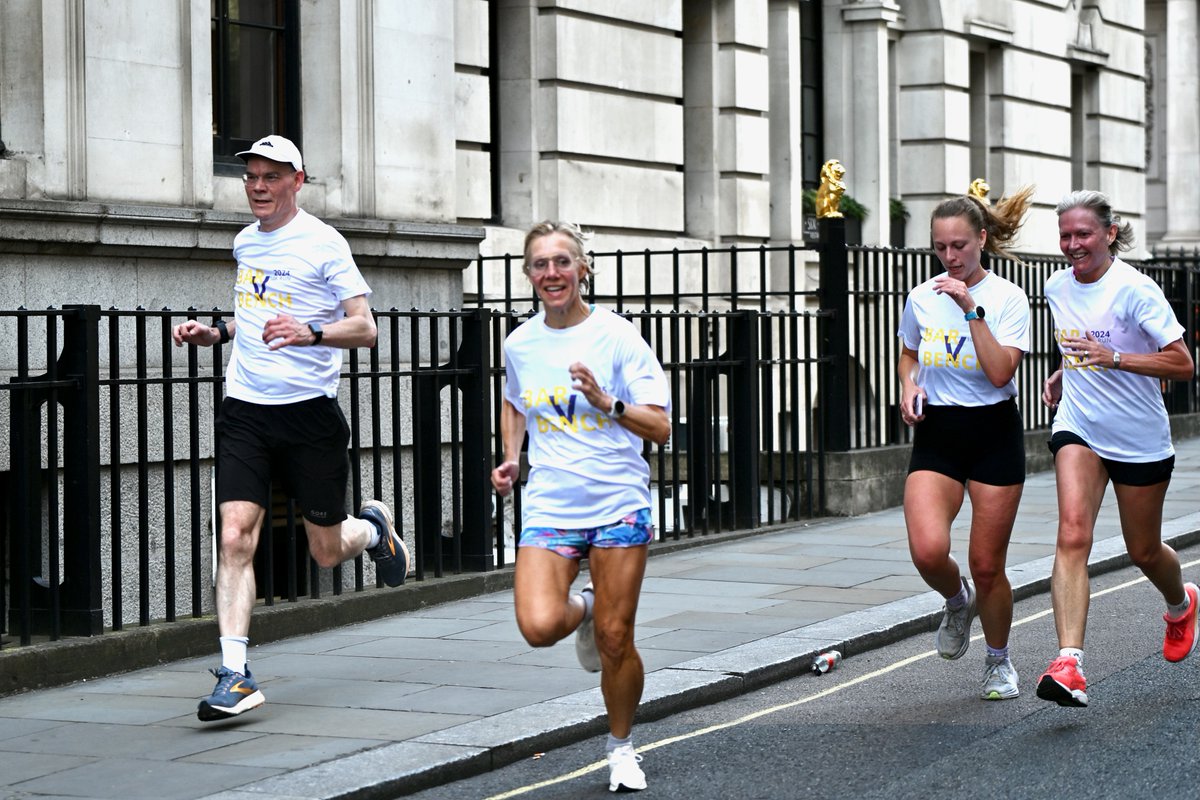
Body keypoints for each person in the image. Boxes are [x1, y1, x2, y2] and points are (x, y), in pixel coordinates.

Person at [172, 134, 411, 722]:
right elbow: (253, 314)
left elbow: (365, 328)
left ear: (297, 181)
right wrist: (218, 334)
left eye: (271, 177)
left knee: (326, 552)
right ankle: (235, 673)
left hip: (308, 414)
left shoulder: (325, 244)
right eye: (251, 176)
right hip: (245, 409)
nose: (258, 186)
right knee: (234, 535)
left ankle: (374, 532)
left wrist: (312, 332)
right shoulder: (246, 243)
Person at [490, 221, 670, 793]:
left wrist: (606, 401)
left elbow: (661, 426)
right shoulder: (520, 342)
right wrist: (511, 457)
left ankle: (620, 748)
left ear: (582, 269)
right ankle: (586, 608)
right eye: (540, 265)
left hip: (617, 502)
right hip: (550, 502)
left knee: (618, 641)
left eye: (562, 262)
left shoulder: (618, 338)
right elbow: (515, 402)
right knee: (539, 625)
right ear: (528, 275)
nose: (551, 274)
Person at [1036, 190, 1197, 708]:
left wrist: (1117, 358)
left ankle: (1180, 603)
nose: (1073, 244)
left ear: (1109, 234)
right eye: (1065, 235)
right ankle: (1069, 663)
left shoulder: (1136, 289)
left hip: (1138, 436)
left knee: (1143, 550)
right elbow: (1078, 345)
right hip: (1079, 425)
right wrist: (1066, 371)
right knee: (1072, 532)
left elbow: (1182, 364)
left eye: (1083, 234)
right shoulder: (1056, 285)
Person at [897, 186, 1034, 700]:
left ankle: (998, 662)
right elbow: (908, 354)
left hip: (993, 433)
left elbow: (1001, 373)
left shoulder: (1008, 298)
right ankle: (957, 602)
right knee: (929, 551)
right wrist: (908, 385)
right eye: (940, 248)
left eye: (959, 246)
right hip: (938, 433)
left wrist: (971, 309)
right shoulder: (921, 297)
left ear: (981, 240)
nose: (949, 257)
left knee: (987, 564)